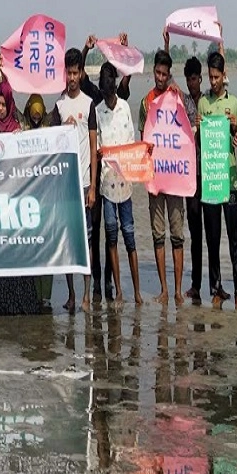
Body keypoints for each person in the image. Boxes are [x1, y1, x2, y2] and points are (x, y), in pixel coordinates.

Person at [0, 79, 41, 315]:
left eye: (5, 105)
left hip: (13, 203)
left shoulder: (18, 130)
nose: (1, 109)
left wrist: (19, 142)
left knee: (15, 253)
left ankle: (19, 302)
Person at [197, 52, 237, 309]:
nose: (213, 81)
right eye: (210, 77)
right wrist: (198, 126)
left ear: (223, 75)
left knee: (235, 238)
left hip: (231, 180)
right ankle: (216, 288)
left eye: (217, 77)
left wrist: (236, 128)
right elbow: (199, 139)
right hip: (211, 182)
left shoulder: (235, 103)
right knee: (213, 238)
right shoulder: (203, 104)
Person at [52, 49, 99, 310]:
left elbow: (93, 147)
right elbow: (51, 142)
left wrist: (93, 186)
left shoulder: (88, 103)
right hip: (66, 185)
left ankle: (86, 295)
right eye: (67, 73)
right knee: (69, 240)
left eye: (74, 73)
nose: (71, 78)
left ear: (81, 73)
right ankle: (71, 294)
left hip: (83, 182)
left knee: (87, 239)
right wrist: (62, 129)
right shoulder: (59, 106)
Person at [139, 51, 185, 307]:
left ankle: (178, 290)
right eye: (157, 72)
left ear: (169, 75)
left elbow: (188, 131)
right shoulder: (146, 102)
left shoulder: (176, 97)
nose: (160, 77)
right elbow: (142, 137)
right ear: (153, 72)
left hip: (175, 175)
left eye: (164, 74)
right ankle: (164, 289)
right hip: (155, 176)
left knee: (177, 234)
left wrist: (178, 96)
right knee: (158, 234)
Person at [96, 63, 143, 305]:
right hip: (106, 183)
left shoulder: (125, 108)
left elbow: (132, 142)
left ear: (114, 85)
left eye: (110, 88)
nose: (108, 93)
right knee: (111, 234)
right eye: (104, 91)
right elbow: (97, 148)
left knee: (130, 235)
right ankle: (120, 292)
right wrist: (101, 154)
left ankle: (136, 292)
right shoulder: (97, 112)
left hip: (125, 184)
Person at [22, 92, 54, 308]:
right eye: (32, 115)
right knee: (31, 247)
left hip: (46, 196)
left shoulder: (50, 129)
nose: (35, 119)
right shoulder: (22, 129)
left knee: (46, 245)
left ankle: (45, 295)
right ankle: (32, 293)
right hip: (27, 197)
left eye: (38, 116)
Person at [181, 57, 206, 304]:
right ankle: (196, 285)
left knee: (214, 231)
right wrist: (166, 46)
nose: (191, 83)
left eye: (194, 78)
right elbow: (168, 84)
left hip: (210, 174)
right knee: (195, 232)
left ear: (201, 78)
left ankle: (218, 283)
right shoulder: (183, 101)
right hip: (190, 177)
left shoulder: (209, 100)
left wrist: (220, 45)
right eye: (188, 79)